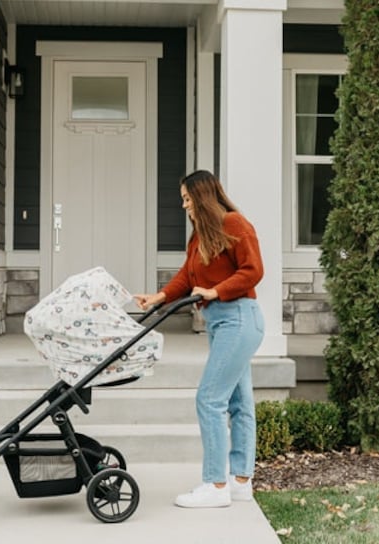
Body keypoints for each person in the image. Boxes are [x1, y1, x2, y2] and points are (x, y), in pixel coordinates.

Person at [135, 170, 265, 508]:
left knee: (209, 399)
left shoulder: (235, 224)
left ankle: (215, 485)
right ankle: (239, 481)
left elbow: (253, 271)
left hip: (239, 317)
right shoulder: (201, 235)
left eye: (188, 199)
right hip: (223, 322)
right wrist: (160, 296)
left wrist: (215, 291)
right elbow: (187, 275)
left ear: (203, 197)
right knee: (238, 402)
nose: (184, 205)